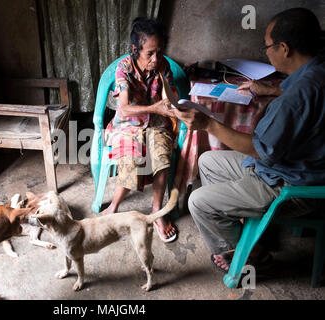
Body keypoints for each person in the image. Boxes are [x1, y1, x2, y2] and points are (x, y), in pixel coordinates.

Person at [173, 8, 325, 272]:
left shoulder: (293, 102)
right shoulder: (317, 69)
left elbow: (259, 149)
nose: (266, 52)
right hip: (298, 165)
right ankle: (244, 225)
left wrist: (208, 123)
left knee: (198, 202)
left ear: (285, 48)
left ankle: (250, 254)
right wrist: (268, 89)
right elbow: (302, 91)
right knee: (208, 160)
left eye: (267, 46)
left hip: (292, 182)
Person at [102, 17, 179, 242]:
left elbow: (170, 98)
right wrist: (155, 107)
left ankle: (157, 212)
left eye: (160, 51)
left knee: (162, 157)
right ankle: (113, 207)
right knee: (131, 161)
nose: (156, 59)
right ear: (135, 50)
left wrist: (174, 104)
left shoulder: (163, 65)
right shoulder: (124, 68)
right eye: (150, 53)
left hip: (157, 123)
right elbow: (124, 109)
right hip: (128, 125)